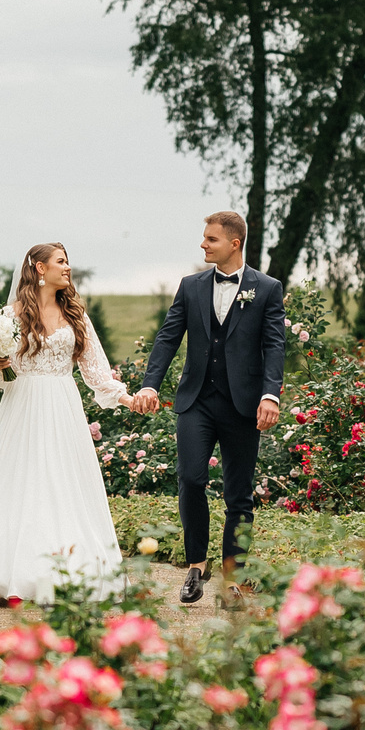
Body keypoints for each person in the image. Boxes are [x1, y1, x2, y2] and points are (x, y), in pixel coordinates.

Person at [0, 241, 129, 605]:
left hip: (63, 406)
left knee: (63, 483)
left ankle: (65, 572)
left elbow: (96, 373)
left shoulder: (76, 315)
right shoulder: (10, 315)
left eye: (67, 261)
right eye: (61, 261)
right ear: (40, 268)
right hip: (23, 406)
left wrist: (126, 398)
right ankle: (1, 573)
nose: (67, 268)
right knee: (17, 484)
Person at [129, 212, 287, 606]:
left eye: (211, 239)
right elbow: (168, 338)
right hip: (196, 400)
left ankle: (234, 577)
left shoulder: (267, 289)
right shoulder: (191, 286)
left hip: (243, 405)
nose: (203, 245)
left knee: (239, 494)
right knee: (191, 479)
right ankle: (196, 566)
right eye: (204, 238)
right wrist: (150, 383)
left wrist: (270, 395)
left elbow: (274, 346)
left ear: (235, 243)